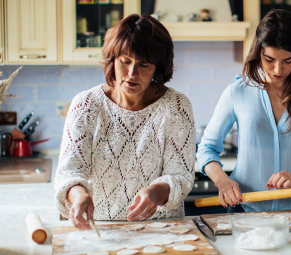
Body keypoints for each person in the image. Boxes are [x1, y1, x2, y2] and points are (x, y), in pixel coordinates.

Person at [196, 9, 291, 213]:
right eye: (269, 59)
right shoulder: (237, 91)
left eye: (288, 60)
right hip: (245, 212)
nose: (278, 69)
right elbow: (206, 148)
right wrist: (222, 181)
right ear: (258, 52)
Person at [54, 14, 196, 230]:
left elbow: (181, 176)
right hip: (100, 229)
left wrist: (156, 192)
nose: (132, 73)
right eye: (125, 61)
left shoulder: (176, 106)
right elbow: (69, 172)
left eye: (144, 64)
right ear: (113, 60)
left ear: (158, 67)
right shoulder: (86, 105)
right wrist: (79, 196)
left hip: (161, 230)